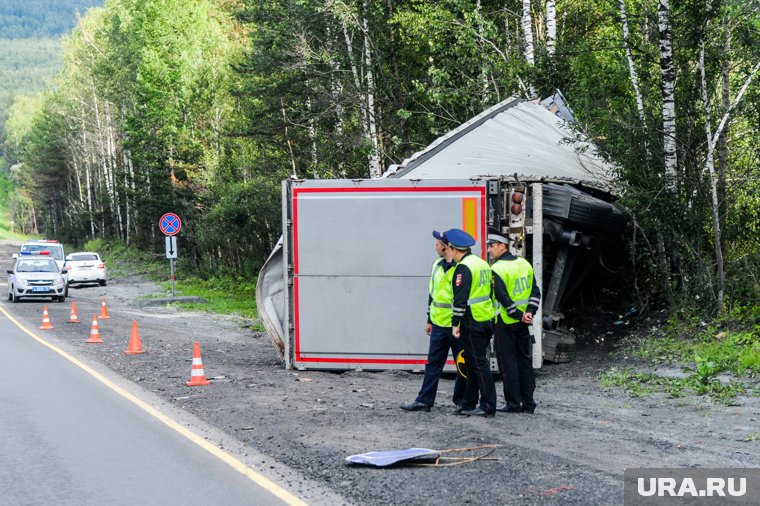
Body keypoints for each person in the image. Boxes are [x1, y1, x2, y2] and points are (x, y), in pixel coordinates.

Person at [401, 231, 465, 412]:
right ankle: (424, 401)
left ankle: (462, 402)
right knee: (433, 364)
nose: (435, 247)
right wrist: (429, 319)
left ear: (446, 246)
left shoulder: (461, 267)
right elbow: (433, 294)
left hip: (456, 325)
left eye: (437, 244)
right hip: (438, 324)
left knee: (462, 364)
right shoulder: (436, 265)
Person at [487, 226, 541, 414]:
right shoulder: (524, 264)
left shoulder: (497, 269)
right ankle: (529, 403)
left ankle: (513, 404)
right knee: (525, 362)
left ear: (502, 246)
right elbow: (535, 292)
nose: (488, 250)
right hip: (524, 323)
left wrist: (518, 314)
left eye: (491, 246)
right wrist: (529, 312)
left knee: (507, 363)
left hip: (506, 322)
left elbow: (503, 298)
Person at [447, 228, 496, 417]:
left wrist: (455, 323)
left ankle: (487, 406)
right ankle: (468, 403)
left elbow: (460, 299)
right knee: (472, 362)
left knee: (478, 365)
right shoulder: (481, 263)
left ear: (454, 249)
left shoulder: (464, 268)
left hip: (472, 320)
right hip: (485, 318)